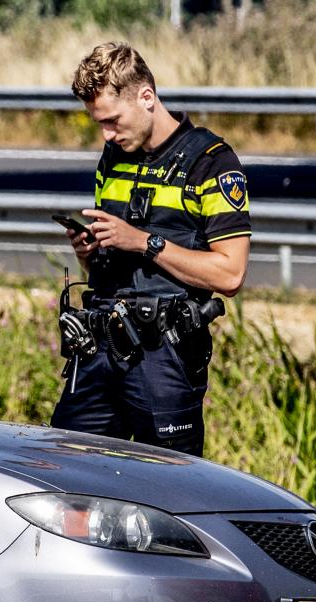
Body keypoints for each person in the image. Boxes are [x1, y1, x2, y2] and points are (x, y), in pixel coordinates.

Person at [51, 42, 250, 458]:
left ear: (146, 98)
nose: (106, 134)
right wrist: (90, 251)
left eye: (112, 121)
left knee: (169, 487)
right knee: (65, 471)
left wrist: (143, 242)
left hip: (164, 356)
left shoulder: (211, 162)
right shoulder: (114, 156)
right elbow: (114, 256)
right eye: (98, 123)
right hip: (98, 347)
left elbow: (230, 275)